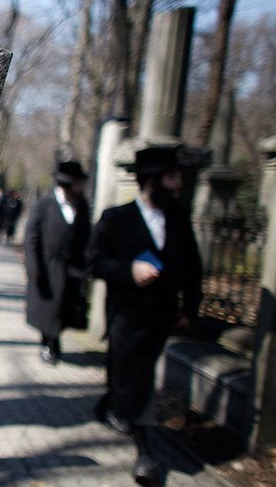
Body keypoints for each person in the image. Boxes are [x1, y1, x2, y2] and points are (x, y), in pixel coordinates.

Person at [86, 147, 202, 485]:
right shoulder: (116, 218)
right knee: (138, 381)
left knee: (133, 375)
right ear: (151, 181)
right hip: (125, 316)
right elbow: (94, 263)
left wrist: (189, 311)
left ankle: (111, 405)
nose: (178, 184)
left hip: (162, 318)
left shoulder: (179, 218)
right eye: (172, 177)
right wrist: (129, 269)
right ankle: (145, 453)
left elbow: (193, 269)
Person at [24, 162, 91, 365]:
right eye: (77, 184)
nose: (81, 188)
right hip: (48, 267)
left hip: (72, 268)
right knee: (49, 309)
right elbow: (31, 237)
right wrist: (33, 267)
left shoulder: (82, 206)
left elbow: (86, 236)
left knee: (65, 308)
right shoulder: (44, 205)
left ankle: (54, 340)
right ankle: (48, 344)